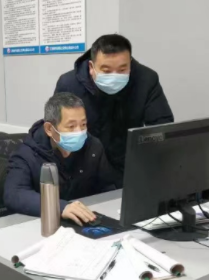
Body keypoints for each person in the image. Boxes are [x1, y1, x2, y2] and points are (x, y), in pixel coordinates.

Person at [55, 34, 174, 179]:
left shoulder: (146, 80)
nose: (114, 76)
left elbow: (162, 126)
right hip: (82, 168)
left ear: (130, 64)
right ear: (91, 67)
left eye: (122, 69)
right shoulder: (69, 84)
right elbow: (56, 130)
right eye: (106, 71)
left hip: (128, 166)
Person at [4, 93, 119, 224]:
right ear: (49, 129)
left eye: (83, 124)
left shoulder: (93, 146)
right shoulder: (26, 154)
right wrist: (60, 207)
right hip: (41, 224)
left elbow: (107, 187)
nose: (79, 131)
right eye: (71, 126)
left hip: (85, 221)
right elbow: (14, 194)